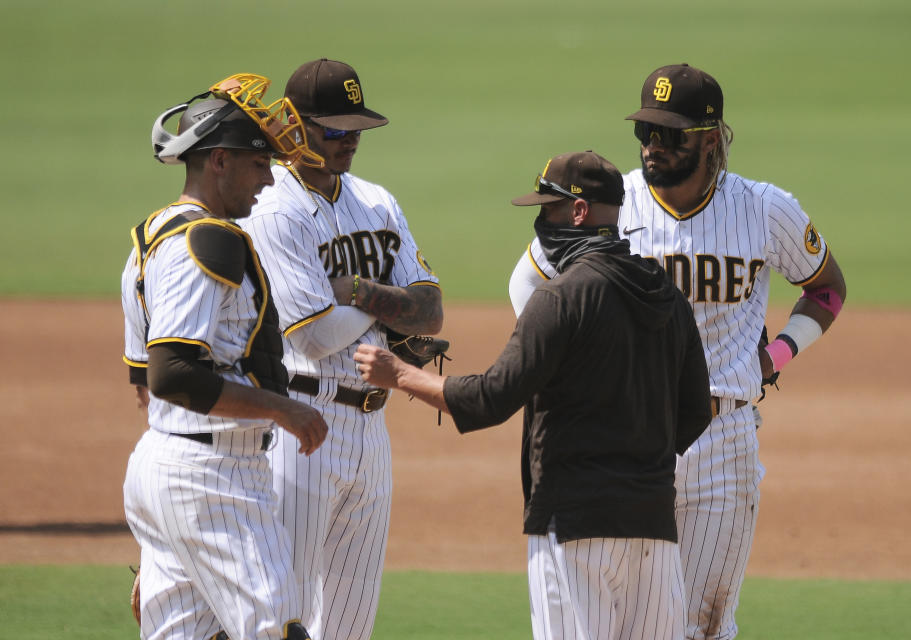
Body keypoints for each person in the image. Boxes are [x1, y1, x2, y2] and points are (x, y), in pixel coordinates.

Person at [508, 64, 847, 639]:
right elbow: (529, 285)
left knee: (704, 626)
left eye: (670, 134)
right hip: (626, 435)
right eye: (646, 132)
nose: (653, 147)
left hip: (723, 439)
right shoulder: (617, 206)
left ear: (711, 138)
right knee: (619, 621)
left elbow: (826, 288)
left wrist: (778, 356)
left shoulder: (765, 210)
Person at [355, 150, 713, 640]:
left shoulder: (560, 297)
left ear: (579, 212)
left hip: (573, 523)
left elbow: (491, 399)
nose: (542, 222)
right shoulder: (668, 297)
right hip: (653, 524)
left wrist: (399, 374)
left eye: (549, 209)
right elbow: (695, 411)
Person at [239, 58, 443, 640]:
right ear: (295, 127)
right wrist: (386, 302)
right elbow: (313, 333)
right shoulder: (273, 207)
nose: (350, 140)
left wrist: (355, 289)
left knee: (352, 625)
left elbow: (430, 310)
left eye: (356, 128)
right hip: (304, 423)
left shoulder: (376, 201)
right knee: (287, 614)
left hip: (371, 431)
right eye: (335, 128)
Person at [121, 75, 329, 640]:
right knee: (279, 628)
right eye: (259, 163)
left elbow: (143, 378)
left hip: (170, 465)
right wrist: (284, 410)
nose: (269, 178)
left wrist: (172, 521)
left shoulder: (151, 235)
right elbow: (172, 374)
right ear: (218, 160)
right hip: (214, 476)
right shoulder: (209, 241)